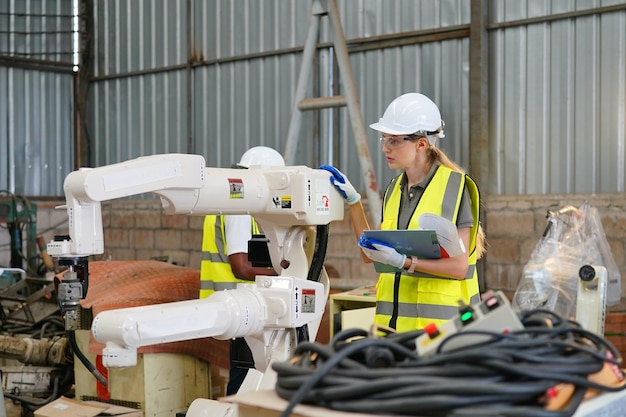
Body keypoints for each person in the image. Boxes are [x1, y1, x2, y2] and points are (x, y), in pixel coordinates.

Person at [321, 92, 486, 333]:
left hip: (441, 334)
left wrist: (405, 262)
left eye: (394, 140)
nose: (385, 148)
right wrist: (355, 202)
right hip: (392, 333)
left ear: (421, 144)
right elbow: (370, 255)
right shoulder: (394, 190)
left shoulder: (455, 187)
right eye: (384, 139)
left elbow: (458, 268)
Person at [199, 145, 283, 395]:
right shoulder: (240, 207)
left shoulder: (232, 202)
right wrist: (285, 277)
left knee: (246, 372)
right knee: (246, 374)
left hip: (236, 304)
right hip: (240, 304)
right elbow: (241, 266)